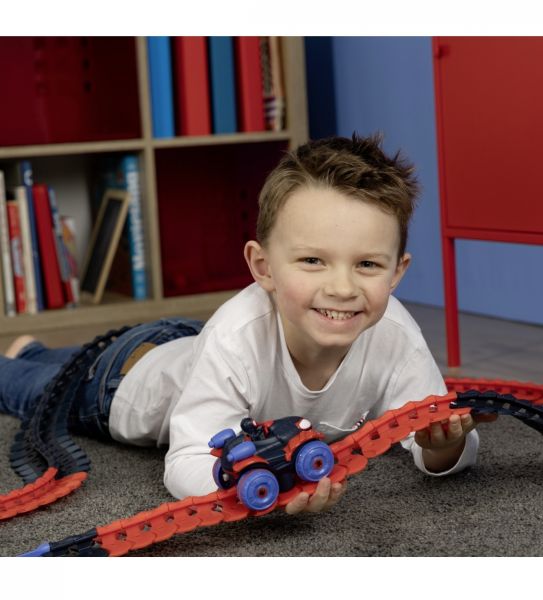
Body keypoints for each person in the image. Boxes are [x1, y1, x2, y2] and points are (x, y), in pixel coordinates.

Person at [0, 133, 492, 515]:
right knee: (32, 388)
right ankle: (25, 361)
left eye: (367, 265)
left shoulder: (397, 338)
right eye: (313, 261)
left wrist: (445, 446)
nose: (343, 287)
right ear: (263, 268)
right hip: (124, 383)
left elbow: (436, 434)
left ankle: (34, 349)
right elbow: (187, 461)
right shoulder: (236, 336)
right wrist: (263, 491)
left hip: (188, 344)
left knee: (59, 361)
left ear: (397, 272)